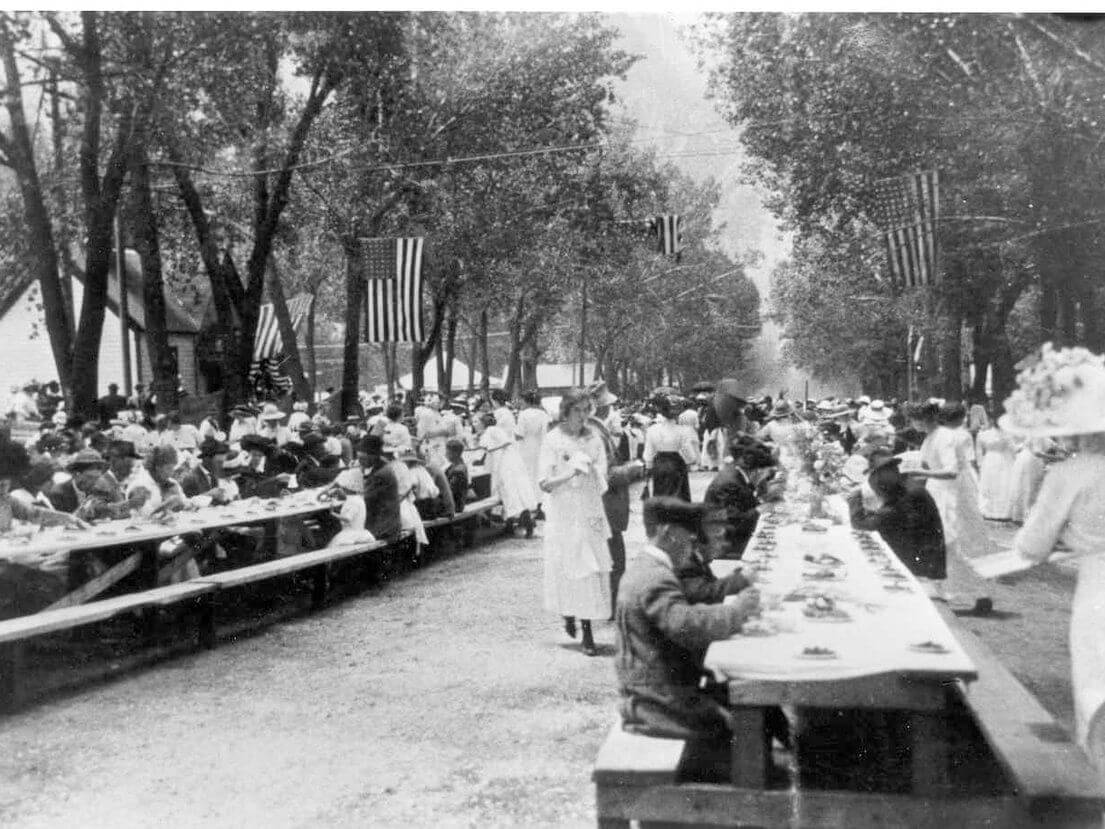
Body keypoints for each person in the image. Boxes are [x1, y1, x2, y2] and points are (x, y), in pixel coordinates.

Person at [995, 344, 1105, 771]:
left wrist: (1066, 539)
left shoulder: (1070, 472)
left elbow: (1032, 545)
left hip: (1098, 584)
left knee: (1098, 684)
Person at [615, 497, 759, 757]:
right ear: (667, 533)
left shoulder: (646, 567)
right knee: (748, 718)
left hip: (651, 689)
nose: (693, 543)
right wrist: (737, 611)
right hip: (657, 702)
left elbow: (685, 617)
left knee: (741, 693)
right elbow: (687, 627)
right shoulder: (655, 577)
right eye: (689, 536)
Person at [539, 389, 611, 656]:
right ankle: (568, 612)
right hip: (563, 510)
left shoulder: (594, 439)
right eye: (578, 411)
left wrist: (592, 470)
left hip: (589, 506)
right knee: (567, 563)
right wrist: (569, 473)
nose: (583, 416)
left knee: (590, 567)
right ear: (566, 412)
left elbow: (603, 473)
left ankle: (588, 630)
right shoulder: (552, 440)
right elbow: (545, 482)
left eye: (586, 410)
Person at [907, 401, 993, 610]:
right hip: (938, 491)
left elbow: (951, 470)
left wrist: (920, 473)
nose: (911, 424)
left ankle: (979, 593)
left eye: (913, 419)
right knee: (941, 543)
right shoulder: (931, 437)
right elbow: (929, 464)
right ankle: (943, 589)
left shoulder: (945, 437)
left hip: (952, 494)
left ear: (922, 419)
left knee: (953, 543)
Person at [587, 382, 646, 618]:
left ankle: (609, 603)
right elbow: (605, 474)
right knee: (612, 558)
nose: (610, 410)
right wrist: (633, 469)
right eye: (607, 405)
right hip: (604, 503)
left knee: (610, 556)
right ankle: (609, 605)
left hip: (603, 504)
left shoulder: (596, 429)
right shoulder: (594, 432)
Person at [847, 450, 946, 581]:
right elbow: (888, 517)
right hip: (925, 557)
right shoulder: (911, 490)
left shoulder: (905, 498)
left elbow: (860, 524)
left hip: (919, 567)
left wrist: (855, 497)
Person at [702, 436, 774, 560]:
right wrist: (760, 509)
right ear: (757, 470)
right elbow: (735, 522)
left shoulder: (737, 474)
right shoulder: (730, 483)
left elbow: (746, 500)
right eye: (765, 472)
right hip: (725, 543)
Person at [475, 412, 537, 537]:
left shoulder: (490, 431)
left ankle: (522, 521)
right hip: (512, 462)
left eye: (477, 422)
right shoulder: (497, 430)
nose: (476, 425)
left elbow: (483, 448)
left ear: (483, 423)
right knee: (513, 492)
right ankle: (511, 523)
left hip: (504, 464)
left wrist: (484, 452)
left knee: (508, 492)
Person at [642, 394, 697, 501]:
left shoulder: (652, 429)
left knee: (660, 494)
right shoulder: (683, 430)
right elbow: (688, 453)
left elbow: (649, 452)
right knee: (679, 495)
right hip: (676, 464)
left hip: (659, 464)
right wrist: (691, 460)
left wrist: (649, 466)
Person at [357, 434, 402, 543]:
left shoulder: (380, 474)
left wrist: (345, 495)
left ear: (372, 456)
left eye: (362, 459)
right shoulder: (382, 466)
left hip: (383, 527)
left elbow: (363, 499)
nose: (360, 462)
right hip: (387, 522)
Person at [515, 390, 550, 518]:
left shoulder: (523, 414)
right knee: (538, 475)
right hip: (539, 446)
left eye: (522, 401)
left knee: (527, 476)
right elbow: (546, 432)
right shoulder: (544, 414)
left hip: (525, 447)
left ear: (527, 401)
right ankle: (541, 505)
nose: (520, 403)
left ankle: (528, 505)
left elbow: (519, 434)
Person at [976, 418, 1017, 521]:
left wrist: (980, 464)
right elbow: (1013, 449)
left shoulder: (985, 434)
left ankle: (995, 511)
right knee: (995, 484)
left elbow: (979, 452)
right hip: (998, 460)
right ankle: (992, 510)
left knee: (997, 484)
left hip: (994, 460)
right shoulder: (1005, 434)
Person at [326, 469, 377, 548]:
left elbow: (347, 518)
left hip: (351, 534)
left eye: (342, 488)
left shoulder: (352, 501)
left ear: (346, 488)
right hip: (358, 531)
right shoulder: (357, 498)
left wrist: (333, 513)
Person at [443, 438, 470, 511]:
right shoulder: (454, 466)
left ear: (455, 453)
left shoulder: (459, 470)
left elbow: (450, 490)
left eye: (447, 452)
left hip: (456, 505)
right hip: (453, 502)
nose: (445, 454)